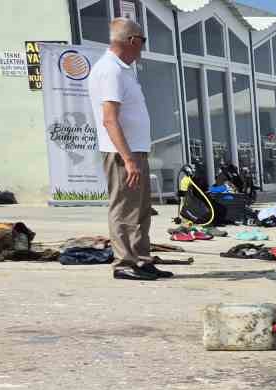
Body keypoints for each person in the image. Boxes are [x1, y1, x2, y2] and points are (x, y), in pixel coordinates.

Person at [87, 18, 164, 281]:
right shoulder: (110, 70)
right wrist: (128, 158)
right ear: (131, 40)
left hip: (135, 151)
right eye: (142, 41)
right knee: (123, 208)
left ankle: (142, 259)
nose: (143, 48)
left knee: (140, 210)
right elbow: (110, 118)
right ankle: (124, 262)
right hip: (122, 153)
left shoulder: (124, 70)